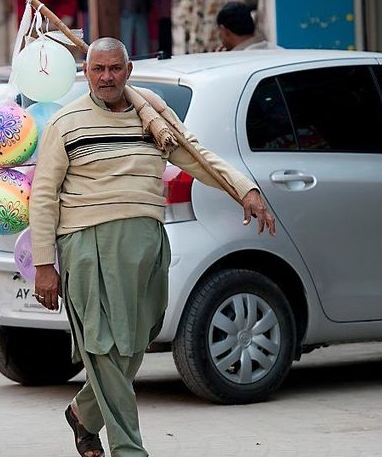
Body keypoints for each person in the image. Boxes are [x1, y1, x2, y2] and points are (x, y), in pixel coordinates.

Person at [30, 38, 276, 457]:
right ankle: (129, 448)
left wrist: (245, 191)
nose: (106, 77)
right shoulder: (66, 123)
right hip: (88, 244)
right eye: (97, 69)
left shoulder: (153, 120)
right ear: (86, 73)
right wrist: (43, 264)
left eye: (114, 69)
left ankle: (84, 413)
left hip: (148, 246)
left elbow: (199, 157)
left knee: (137, 341)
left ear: (128, 71)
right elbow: (43, 193)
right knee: (106, 348)